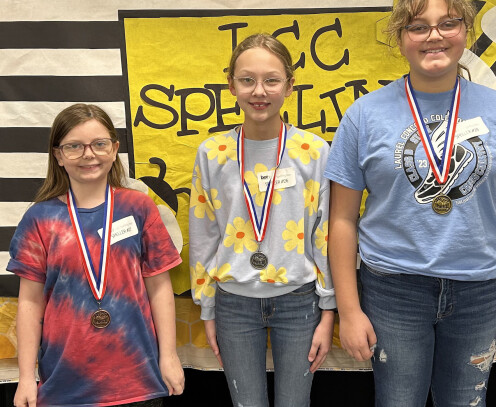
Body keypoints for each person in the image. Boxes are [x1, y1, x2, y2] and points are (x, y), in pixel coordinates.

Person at [324, 0, 496, 405]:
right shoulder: (364, 116)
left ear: (465, 31)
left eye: (448, 23)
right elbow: (342, 220)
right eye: (418, 27)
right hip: (392, 290)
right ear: (400, 38)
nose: (434, 36)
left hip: (480, 291)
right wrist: (349, 311)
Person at [189, 33, 336, 407]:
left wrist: (328, 311)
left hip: (299, 302)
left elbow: (325, 235)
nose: (259, 91)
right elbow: (204, 234)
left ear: (290, 85)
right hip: (233, 303)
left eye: (271, 80)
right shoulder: (213, 152)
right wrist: (207, 307)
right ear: (231, 85)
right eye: (247, 79)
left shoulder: (315, 151)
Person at [9, 104, 185, 407]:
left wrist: (168, 356)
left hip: (138, 377)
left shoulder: (139, 207)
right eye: (74, 146)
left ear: (114, 149)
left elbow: (159, 287)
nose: (89, 155)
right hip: (65, 382)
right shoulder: (40, 219)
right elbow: (30, 302)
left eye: (99, 144)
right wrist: (26, 376)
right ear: (59, 155)